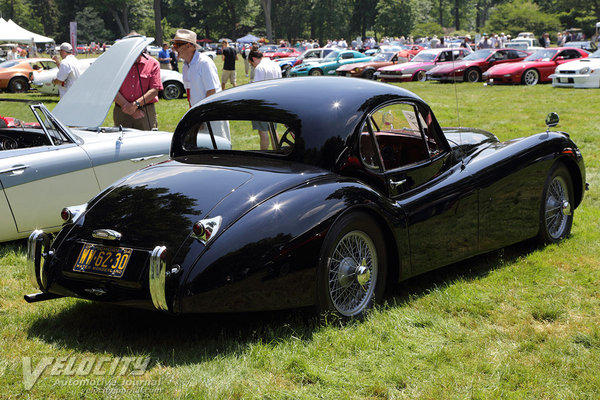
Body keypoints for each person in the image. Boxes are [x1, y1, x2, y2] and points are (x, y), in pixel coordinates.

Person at [113, 34, 163, 130]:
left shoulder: (153, 63)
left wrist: (135, 105)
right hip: (121, 112)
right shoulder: (117, 64)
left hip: (145, 112)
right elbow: (112, 90)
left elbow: (154, 90)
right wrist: (131, 110)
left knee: (147, 142)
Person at [172, 29, 221, 108]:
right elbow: (190, 93)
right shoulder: (185, 66)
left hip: (210, 114)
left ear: (188, 46)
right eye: (173, 45)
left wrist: (201, 114)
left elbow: (212, 92)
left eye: (177, 45)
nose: (174, 49)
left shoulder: (204, 62)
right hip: (197, 113)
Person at [248, 49, 282, 150]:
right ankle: (278, 152)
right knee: (273, 130)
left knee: (263, 132)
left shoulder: (260, 68)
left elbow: (257, 87)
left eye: (251, 64)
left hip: (262, 103)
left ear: (254, 59)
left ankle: (264, 155)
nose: (252, 66)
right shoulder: (275, 65)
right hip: (275, 101)